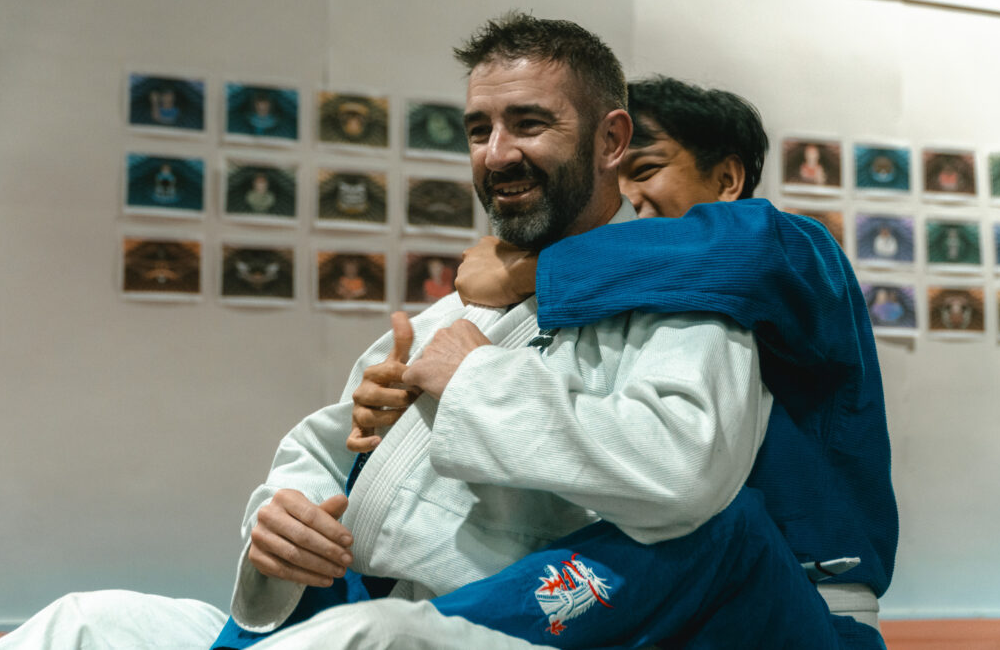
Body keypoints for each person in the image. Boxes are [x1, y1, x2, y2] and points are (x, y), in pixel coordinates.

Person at [0, 15, 773, 650]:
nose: (497, 154)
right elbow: (323, 450)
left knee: (369, 638)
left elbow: (689, 469)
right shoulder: (455, 308)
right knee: (79, 623)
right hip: (348, 609)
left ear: (610, 140)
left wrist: (477, 381)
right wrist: (286, 519)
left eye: (528, 123)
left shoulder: (683, 304)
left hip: (526, 631)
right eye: (478, 129)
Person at [376, 76, 895, 647]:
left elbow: (754, 245)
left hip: (797, 595)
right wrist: (401, 421)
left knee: (722, 522)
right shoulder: (614, 291)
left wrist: (531, 270)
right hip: (672, 587)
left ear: (727, 179)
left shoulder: (796, 254)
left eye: (644, 170)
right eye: (612, 176)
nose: (626, 197)